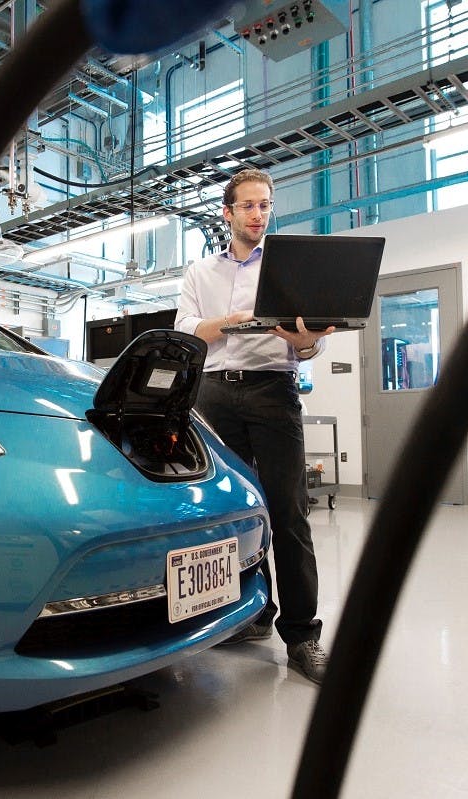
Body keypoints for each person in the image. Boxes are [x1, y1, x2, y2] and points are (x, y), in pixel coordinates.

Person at [174, 168, 333, 684]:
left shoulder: (287, 270)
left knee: (288, 512)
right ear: (228, 213)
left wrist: (304, 338)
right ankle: (254, 612)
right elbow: (187, 332)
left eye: (266, 205)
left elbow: (308, 347)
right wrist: (237, 320)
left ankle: (303, 635)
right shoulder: (201, 272)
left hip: (272, 389)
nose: (259, 214)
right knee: (237, 512)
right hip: (214, 392)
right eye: (248, 206)